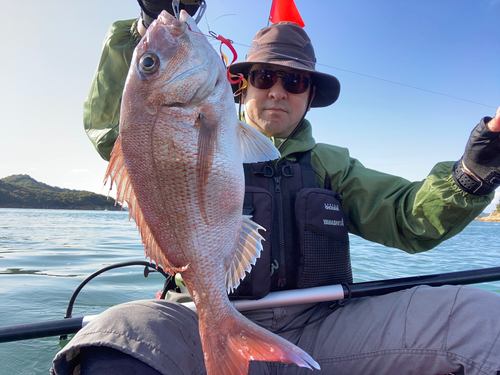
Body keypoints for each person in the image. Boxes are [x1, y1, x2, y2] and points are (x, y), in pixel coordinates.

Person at [53, 2, 500, 374]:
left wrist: (473, 170)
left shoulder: (331, 164)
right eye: (265, 77)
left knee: (481, 322)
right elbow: (124, 132)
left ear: (309, 96)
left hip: (321, 325)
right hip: (194, 314)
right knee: (113, 336)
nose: (278, 92)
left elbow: (407, 219)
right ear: (242, 84)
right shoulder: (191, 128)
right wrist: (150, 21)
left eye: (296, 81)